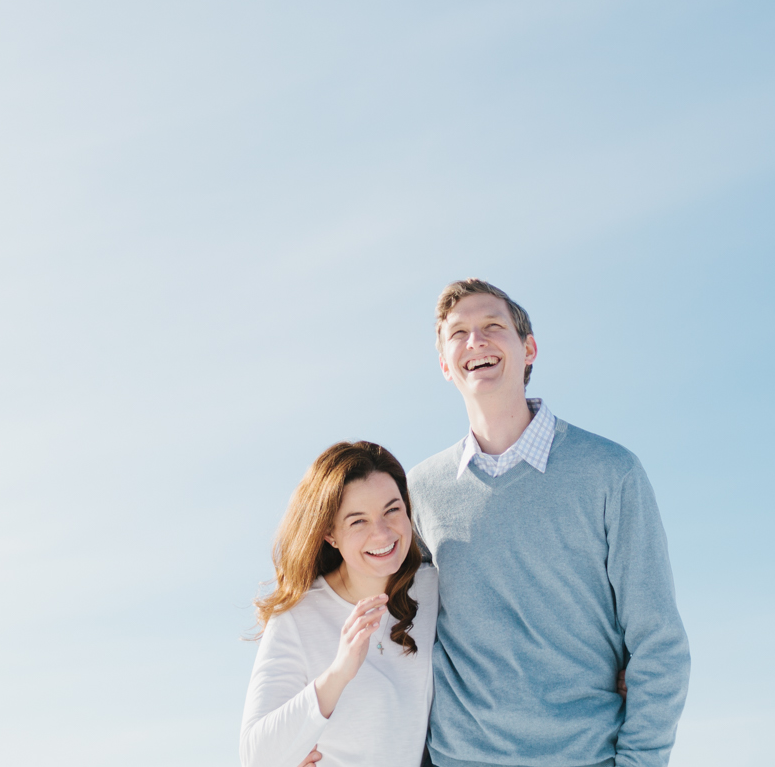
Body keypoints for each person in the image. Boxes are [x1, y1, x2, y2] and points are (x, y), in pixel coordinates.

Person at [409, 279, 689, 767]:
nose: (476, 341)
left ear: (529, 348)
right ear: (444, 366)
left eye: (493, 326)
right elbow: (390, 631)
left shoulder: (611, 472)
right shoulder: (419, 491)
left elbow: (658, 643)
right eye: (459, 333)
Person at [241, 441, 440, 767]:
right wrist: (339, 673)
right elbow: (256, 757)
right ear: (329, 534)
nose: (382, 533)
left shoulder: (434, 589)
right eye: (357, 521)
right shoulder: (298, 618)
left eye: (392, 510)